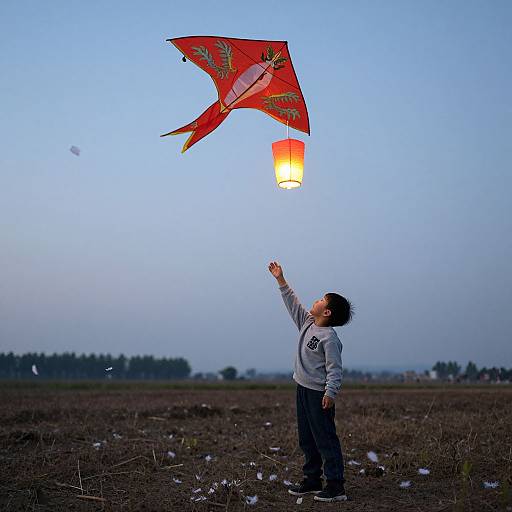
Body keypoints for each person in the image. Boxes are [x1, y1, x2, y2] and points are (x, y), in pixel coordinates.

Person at [268, 261, 353, 503]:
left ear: (326, 312)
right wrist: (281, 280)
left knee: (325, 438)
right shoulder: (307, 323)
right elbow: (292, 303)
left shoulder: (329, 339)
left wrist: (331, 392)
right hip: (302, 390)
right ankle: (312, 480)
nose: (314, 301)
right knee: (307, 438)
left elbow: (334, 369)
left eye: (320, 300)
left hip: (319, 395)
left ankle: (336, 486)